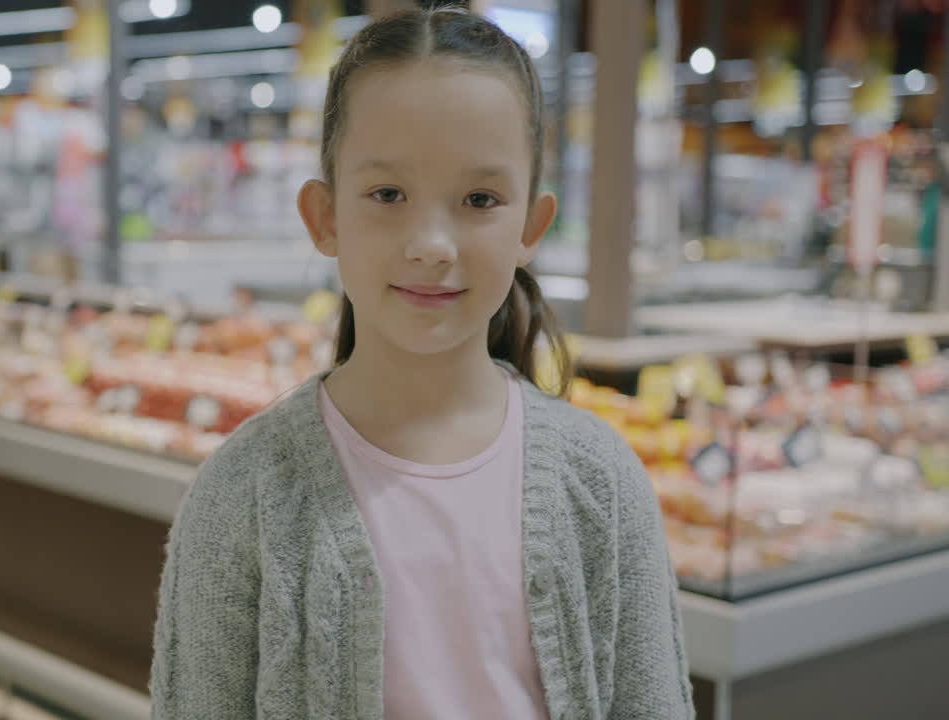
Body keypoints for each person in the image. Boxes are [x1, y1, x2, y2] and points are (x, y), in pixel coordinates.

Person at [151, 6, 693, 719]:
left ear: (531, 225)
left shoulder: (602, 484)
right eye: (388, 195)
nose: (431, 243)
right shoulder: (243, 495)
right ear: (325, 217)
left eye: (479, 199)